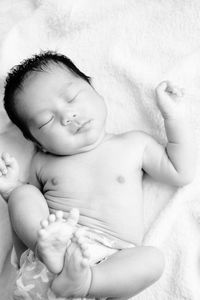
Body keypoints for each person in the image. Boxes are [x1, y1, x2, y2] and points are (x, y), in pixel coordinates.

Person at [0, 51, 195, 299]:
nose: (67, 116)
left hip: (110, 265)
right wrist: (11, 192)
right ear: (39, 143)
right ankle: (52, 255)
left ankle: (85, 282)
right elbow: (25, 227)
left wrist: (173, 116)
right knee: (23, 194)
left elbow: (181, 171)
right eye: (47, 120)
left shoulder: (134, 144)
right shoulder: (42, 162)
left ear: (94, 88)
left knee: (153, 259)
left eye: (72, 97)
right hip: (50, 256)